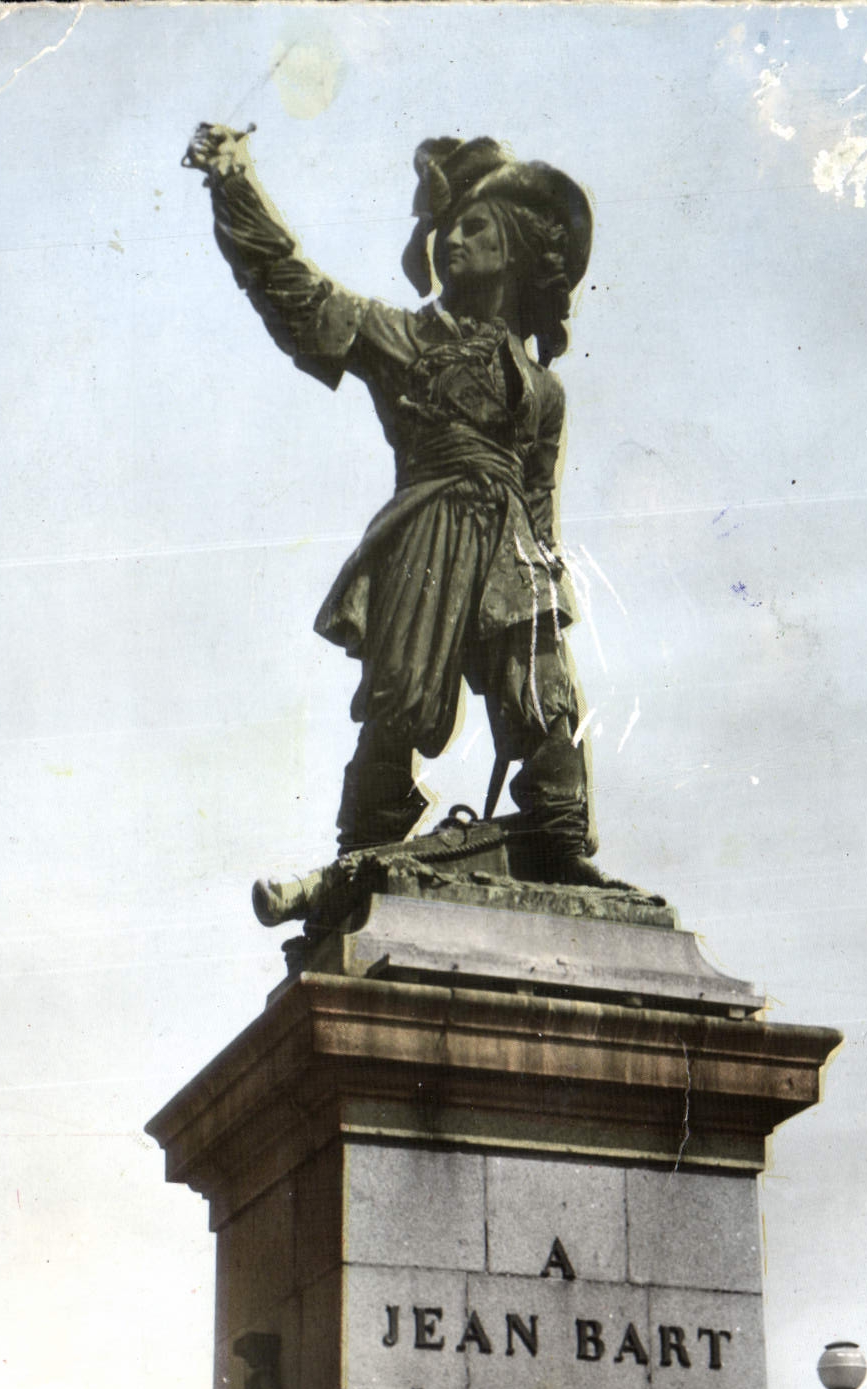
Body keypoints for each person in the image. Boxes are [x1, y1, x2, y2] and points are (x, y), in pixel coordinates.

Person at [185, 124, 605, 884]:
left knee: (545, 693)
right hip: (428, 534)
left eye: (475, 226)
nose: (452, 241)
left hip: (511, 549)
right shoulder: (401, 337)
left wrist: (546, 583)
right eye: (448, 228)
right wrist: (234, 182)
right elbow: (297, 292)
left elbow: (541, 509)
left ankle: (561, 841)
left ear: (511, 247)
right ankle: (360, 859)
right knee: (399, 702)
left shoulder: (543, 392)